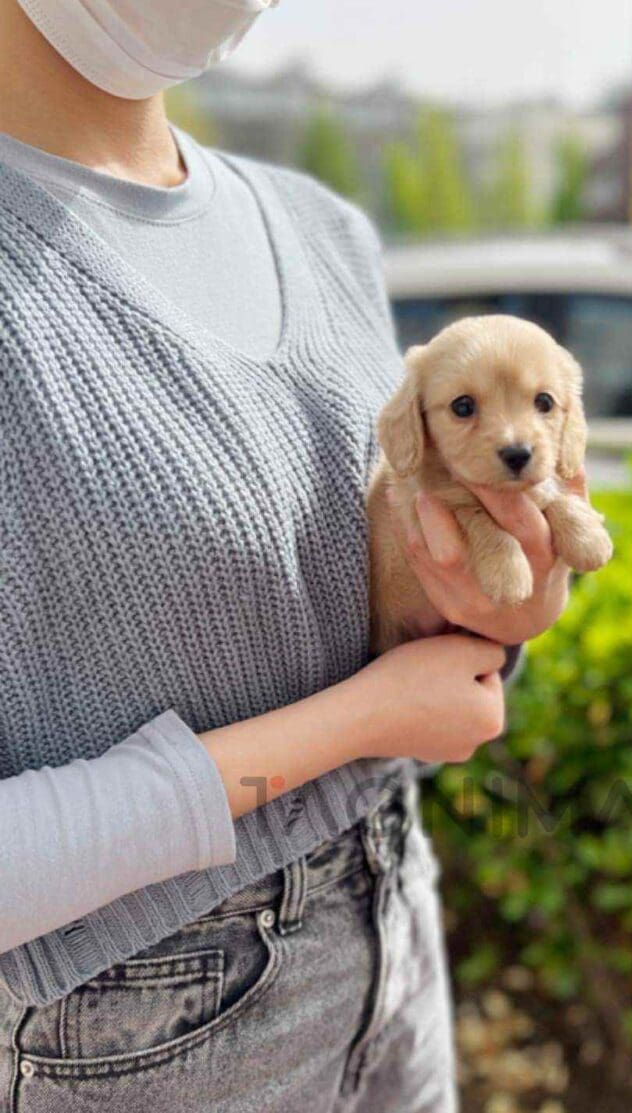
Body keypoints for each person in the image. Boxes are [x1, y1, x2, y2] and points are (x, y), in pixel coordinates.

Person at [0, 2, 580, 1110]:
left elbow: (394, 609)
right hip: (123, 1036)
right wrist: (365, 721)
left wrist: (501, 622)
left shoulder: (324, 232)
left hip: (393, 925)